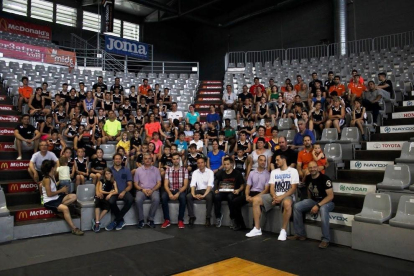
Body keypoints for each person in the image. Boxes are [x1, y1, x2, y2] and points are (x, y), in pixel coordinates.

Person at [246, 154, 299, 240]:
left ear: (284, 160)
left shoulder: (293, 171)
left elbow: (293, 188)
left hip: (286, 196)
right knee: (255, 200)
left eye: (278, 160)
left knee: (287, 203)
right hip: (274, 195)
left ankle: (283, 231)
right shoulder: (274, 172)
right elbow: (271, 188)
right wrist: (275, 197)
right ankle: (257, 228)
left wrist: (280, 198)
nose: (276, 162)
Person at [288, 161, 334, 249]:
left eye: (314, 167)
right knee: (297, 206)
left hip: (327, 202)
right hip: (314, 201)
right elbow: (309, 189)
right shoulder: (308, 177)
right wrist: (309, 202)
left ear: (317, 168)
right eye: (310, 168)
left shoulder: (325, 179)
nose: (312, 169)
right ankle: (300, 234)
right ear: (308, 169)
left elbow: (331, 196)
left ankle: (325, 239)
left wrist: (318, 205)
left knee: (323, 210)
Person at [41, 160, 83, 235]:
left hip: (56, 198)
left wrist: (60, 183)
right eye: (55, 167)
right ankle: (74, 228)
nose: (56, 168)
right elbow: (49, 194)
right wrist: (61, 190)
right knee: (65, 208)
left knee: (74, 196)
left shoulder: (52, 176)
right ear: (52, 168)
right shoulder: (47, 179)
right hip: (49, 201)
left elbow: (53, 187)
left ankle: (59, 210)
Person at [232, 155, 270, 231]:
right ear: (258, 161)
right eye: (261, 160)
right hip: (251, 192)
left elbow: (266, 190)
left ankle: (255, 227)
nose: (263, 162)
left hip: (261, 194)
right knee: (235, 202)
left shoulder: (267, 174)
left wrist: (254, 198)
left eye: (264, 161)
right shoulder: (252, 173)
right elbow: (248, 186)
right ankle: (241, 224)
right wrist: (246, 196)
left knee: (257, 202)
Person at [214, 157, 245, 228]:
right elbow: (217, 184)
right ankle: (218, 217)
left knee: (230, 197)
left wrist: (238, 190)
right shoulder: (221, 173)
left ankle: (232, 218)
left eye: (227, 164)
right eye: (224, 164)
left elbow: (242, 185)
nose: (226, 166)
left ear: (231, 164)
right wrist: (216, 189)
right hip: (223, 192)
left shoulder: (237, 173)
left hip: (234, 192)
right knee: (216, 196)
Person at [106, 153, 134, 231]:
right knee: (111, 201)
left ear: (122, 160)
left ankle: (116, 220)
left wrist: (124, 192)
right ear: (113, 160)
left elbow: (130, 185)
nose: (118, 160)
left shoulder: (126, 170)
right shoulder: (109, 170)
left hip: (124, 191)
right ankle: (121, 220)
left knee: (130, 199)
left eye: (119, 159)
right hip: (114, 192)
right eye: (116, 159)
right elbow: (106, 183)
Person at [161, 153, 189, 229]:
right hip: (170, 189)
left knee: (183, 198)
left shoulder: (184, 170)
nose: (176, 160)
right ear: (172, 160)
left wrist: (178, 193)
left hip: (180, 190)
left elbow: (185, 185)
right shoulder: (168, 170)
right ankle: (167, 220)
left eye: (177, 159)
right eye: (174, 159)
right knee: (163, 197)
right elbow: (165, 184)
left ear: (179, 160)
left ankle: (180, 220)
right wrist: (169, 193)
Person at [134, 153, 162, 229]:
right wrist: (142, 189)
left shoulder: (156, 170)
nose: (147, 160)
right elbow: (135, 184)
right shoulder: (138, 170)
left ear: (151, 160)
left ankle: (150, 219)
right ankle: (141, 220)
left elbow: (159, 183)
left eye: (149, 158)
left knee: (156, 199)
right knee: (138, 200)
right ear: (143, 160)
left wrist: (152, 190)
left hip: (153, 189)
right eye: (145, 158)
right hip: (141, 190)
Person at [186, 157, 214, 227]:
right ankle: (191, 216)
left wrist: (204, 195)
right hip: (197, 190)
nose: (200, 164)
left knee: (209, 197)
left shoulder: (210, 172)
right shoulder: (195, 172)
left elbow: (210, 185)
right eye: (198, 163)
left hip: (207, 190)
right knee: (188, 196)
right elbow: (192, 184)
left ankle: (208, 218)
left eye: (202, 162)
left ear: (205, 163)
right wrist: (193, 194)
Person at [92, 168, 118, 232]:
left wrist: (110, 195)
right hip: (101, 195)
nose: (108, 175)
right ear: (104, 174)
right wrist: (110, 192)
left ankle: (96, 221)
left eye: (109, 173)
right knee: (97, 203)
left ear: (111, 174)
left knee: (107, 207)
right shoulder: (102, 181)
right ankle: (97, 223)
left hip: (106, 197)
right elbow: (101, 190)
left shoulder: (113, 181)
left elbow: (116, 191)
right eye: (106, 174)